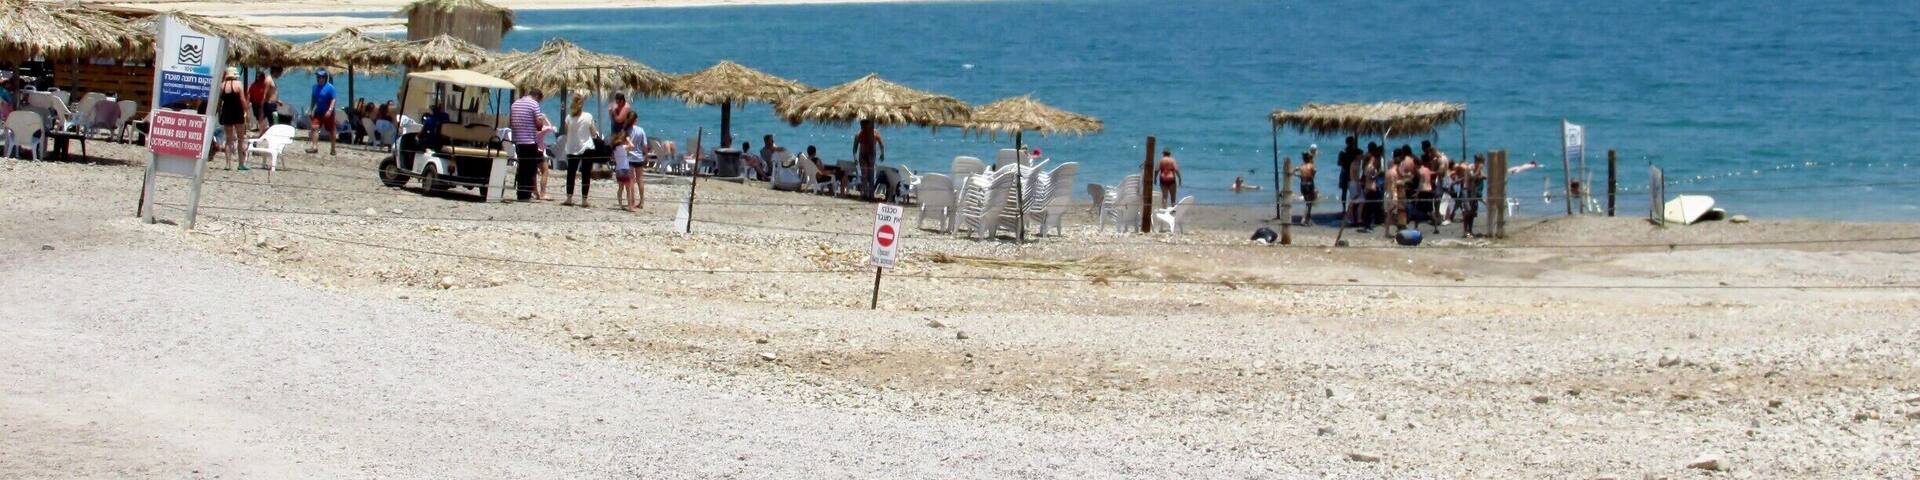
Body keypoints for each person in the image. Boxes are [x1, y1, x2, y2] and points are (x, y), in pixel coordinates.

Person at [509, 88, 550, 202]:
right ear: (538, 97)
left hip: (518, 140)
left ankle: (521, 193)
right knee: (530, 169)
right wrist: (541, 120)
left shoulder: (515, 103)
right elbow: (538, 126)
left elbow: (511, 121)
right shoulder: (534, 104)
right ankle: (526, 194)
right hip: (529, 140)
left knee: (522, 167)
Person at [561, 94, 599, 207]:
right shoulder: (588, 116)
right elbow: (593, 133)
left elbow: (566, 132)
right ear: (582, 105)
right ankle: (584, 200)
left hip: (572, 147)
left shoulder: (568, 118)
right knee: (586, 174)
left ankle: (569, 198)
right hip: (587, 147)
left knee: (571, 173)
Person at [216, 67, 251, 171]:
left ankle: (228, 164)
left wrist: (219, 114)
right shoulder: (238, 84)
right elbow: (242, 99)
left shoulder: (222, 86)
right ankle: (241, 164)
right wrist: (247, 111)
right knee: (241, 139)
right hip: (237, 112)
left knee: (228, 139)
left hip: (227, 112)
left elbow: (219, 102)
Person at [305, 70, 338, 155]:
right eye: (318, 77)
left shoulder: (330, 87)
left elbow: (333, 100)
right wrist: (311, 109)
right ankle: (315, 147)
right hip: (318, 111)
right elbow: (313, 99)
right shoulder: (315, 87)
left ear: (325, 78)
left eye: (321, 77)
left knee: (331, 130)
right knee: (314, 127)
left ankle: (333, 148)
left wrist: (330, 110)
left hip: (328, 112)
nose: (319, 79)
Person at [852, 119, 885, 200]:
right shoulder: (858, 134)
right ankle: (864, 193)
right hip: (862, 156)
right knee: (864, 175)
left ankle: (871, 195)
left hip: (871, 155)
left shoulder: (875, 133)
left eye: (864, 126)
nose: (863, 128)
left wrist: (882, 154)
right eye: (862, 126)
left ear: (869, 125)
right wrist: (855, 158)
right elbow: (854, 148)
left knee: (871, 175)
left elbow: (881, 144)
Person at [622, 109, 648, 209]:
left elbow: (623, 144)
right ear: (636, 119)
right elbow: (645, 145)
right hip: (639, 157)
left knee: (631, 180)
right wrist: (646, 155)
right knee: (640, 179)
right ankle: (641, 201)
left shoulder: (626, 131)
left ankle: (632, 201)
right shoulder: (641, 130)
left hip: (629, 157)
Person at [610, 132, 640, 212]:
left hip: (618, 169)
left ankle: (620, 205)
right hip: (624, 169)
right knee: (628, 189)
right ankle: (630, 206)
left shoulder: (615, 148)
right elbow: (632, 146)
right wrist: (629, 140)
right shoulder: (623, 147)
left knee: (620, 188)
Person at [1294, 151, 1317, 225]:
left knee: (1308, 202)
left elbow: (1293, 171)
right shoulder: (1311, 166)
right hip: (1309, 184)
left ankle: (1307, 218)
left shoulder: (1301, 167)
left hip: (1302, 185)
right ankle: (1305, 219)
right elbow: (1314, 173)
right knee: (1309, 203)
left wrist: (1297, 175)